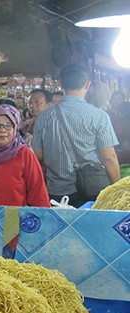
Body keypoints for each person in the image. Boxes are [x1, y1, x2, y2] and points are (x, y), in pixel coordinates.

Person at [33, 64, 120, 208]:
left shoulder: (43, 117)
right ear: (88, 84)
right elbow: (109, 157)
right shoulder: (100, 116)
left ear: (60, 84)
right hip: (93, 190)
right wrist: (116, 190)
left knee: (62, 230)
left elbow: (38, 154)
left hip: (58, 193)